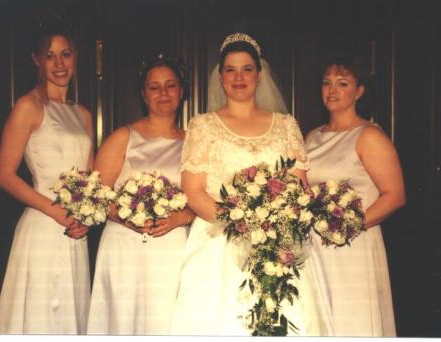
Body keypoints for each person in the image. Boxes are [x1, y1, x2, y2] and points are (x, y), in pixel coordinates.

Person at [170, 33, 333, 336]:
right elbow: (193, 192)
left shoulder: (286, 125)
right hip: (218, 240)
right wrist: (240, 224)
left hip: (277, 240)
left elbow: (299, 188)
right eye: (230, 69)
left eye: (246, 68)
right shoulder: (202, 125)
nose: (239, 77)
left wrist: (271, 226)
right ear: (221, 77)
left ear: (260, 75)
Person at [0, 18, 94, 334]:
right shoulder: (28, 106)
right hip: (43, 225)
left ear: (75, 58)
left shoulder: (83, 114)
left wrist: (86, 217)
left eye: (65, 54)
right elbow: (5, 175)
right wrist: (55, 211)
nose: (59, 64)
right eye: (49, 55)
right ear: (37, 59)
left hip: (75, 230)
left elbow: (90, 179)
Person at [87, 54, 195, 335]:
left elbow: (202, 201)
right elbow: (96, 196)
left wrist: (181, 218)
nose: (162, 93)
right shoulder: (123, 136)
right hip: (125, 246)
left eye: (170, 85)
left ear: (181, 92)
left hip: (171, 247)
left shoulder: (195, 144)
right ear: (143, 94)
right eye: (154, 87)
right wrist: (128, 217)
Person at [305, 52, 405, 337]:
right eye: (326, 83)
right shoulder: (312, 137)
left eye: (343, 83)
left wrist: (347, 226)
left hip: (353, 245)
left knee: (353, 321)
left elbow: (395, 195)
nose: (332, 90)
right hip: (315, 247)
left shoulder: (369, 136)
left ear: (359, 91)